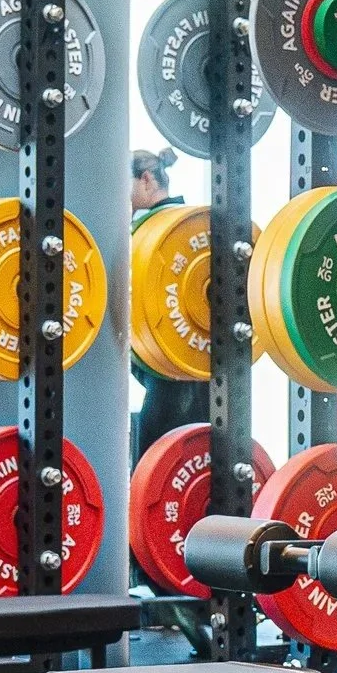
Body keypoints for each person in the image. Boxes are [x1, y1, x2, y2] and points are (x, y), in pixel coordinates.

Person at [130, 144, 208, 457]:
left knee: (157, 465)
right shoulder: (176, 227)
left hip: (173, 376)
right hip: (182, 373)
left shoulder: (159, 232)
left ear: (146, 179)